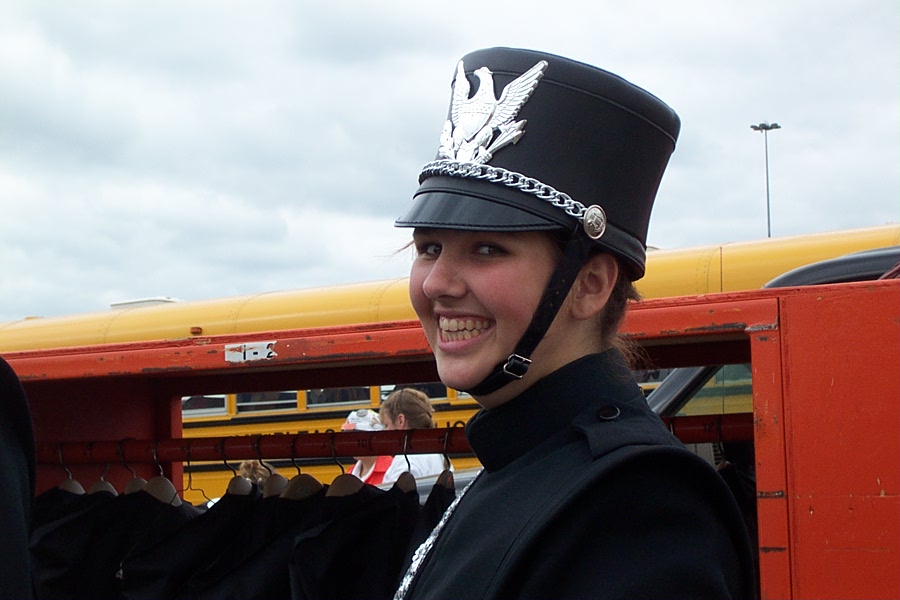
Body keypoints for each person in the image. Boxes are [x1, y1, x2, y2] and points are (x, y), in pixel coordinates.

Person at [391, 47, 755, 599]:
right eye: (429, 247)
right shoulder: (525, 464)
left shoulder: (638, 506)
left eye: (487, 248)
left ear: (590, 285)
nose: (437, 283)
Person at [379, 388, 450, 485]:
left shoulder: (405, 462)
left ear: (401, 421)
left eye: (386, 425)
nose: (385, 431)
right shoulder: (440, 456)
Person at [341, 408, 394, 485]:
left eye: (357, 437)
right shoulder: (350, 474)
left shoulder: (392, 469)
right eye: (348, 437)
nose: (351, 442)